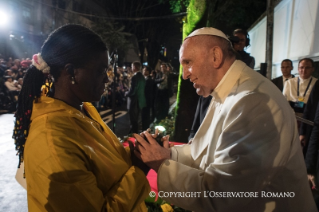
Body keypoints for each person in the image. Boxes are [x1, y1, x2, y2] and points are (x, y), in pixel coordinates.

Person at [133, 27, 316, 211]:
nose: (184, 75)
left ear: (215, 56)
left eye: (188, 62)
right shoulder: (228, 91)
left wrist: (161, 165)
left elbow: (220, 195)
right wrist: (170, 155)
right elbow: (204, 151)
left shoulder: (252, 100)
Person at [13, 24, 150, 212]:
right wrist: (139, 171)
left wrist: (131, 155)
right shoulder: (52, 141)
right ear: (71, 72)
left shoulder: (83, 108)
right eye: (100, 71)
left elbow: (101, 164)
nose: (107, 79)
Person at [125, 61, 146, 133]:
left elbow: (132, 91)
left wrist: (126, 93)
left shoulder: (135, 77)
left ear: (135, 67)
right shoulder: (142, 77)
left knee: (133, 120)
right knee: (136, 119)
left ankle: (133, 134)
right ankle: (134, 132)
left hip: (134, 101)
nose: (131, 68)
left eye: (132, 66)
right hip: (140, 101)